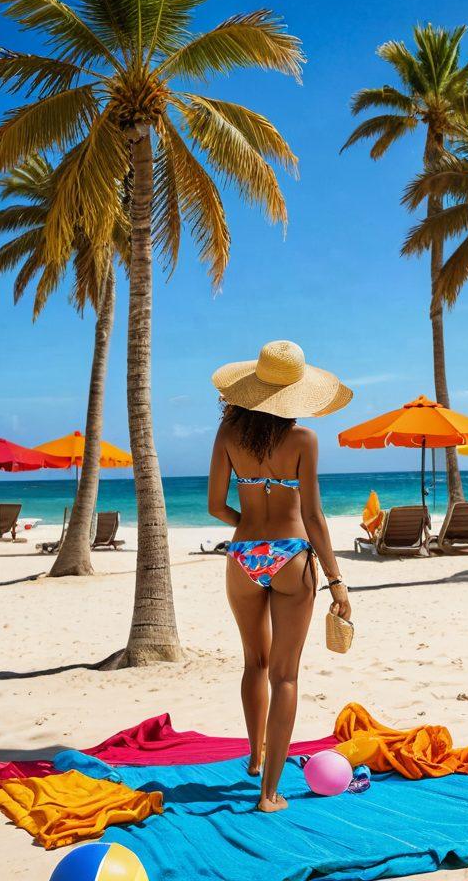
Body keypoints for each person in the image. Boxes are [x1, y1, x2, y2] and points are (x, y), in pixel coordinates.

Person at [207, 341, 353, 813]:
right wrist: (336, 581)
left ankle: (254, 758)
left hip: (244, 555)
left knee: (255, 663)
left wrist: (250, 533)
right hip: (293, 557)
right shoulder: (304, 441)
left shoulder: (228, 434)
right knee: (286, 676)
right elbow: (313, 515)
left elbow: (214, 506)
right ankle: (269, 794)